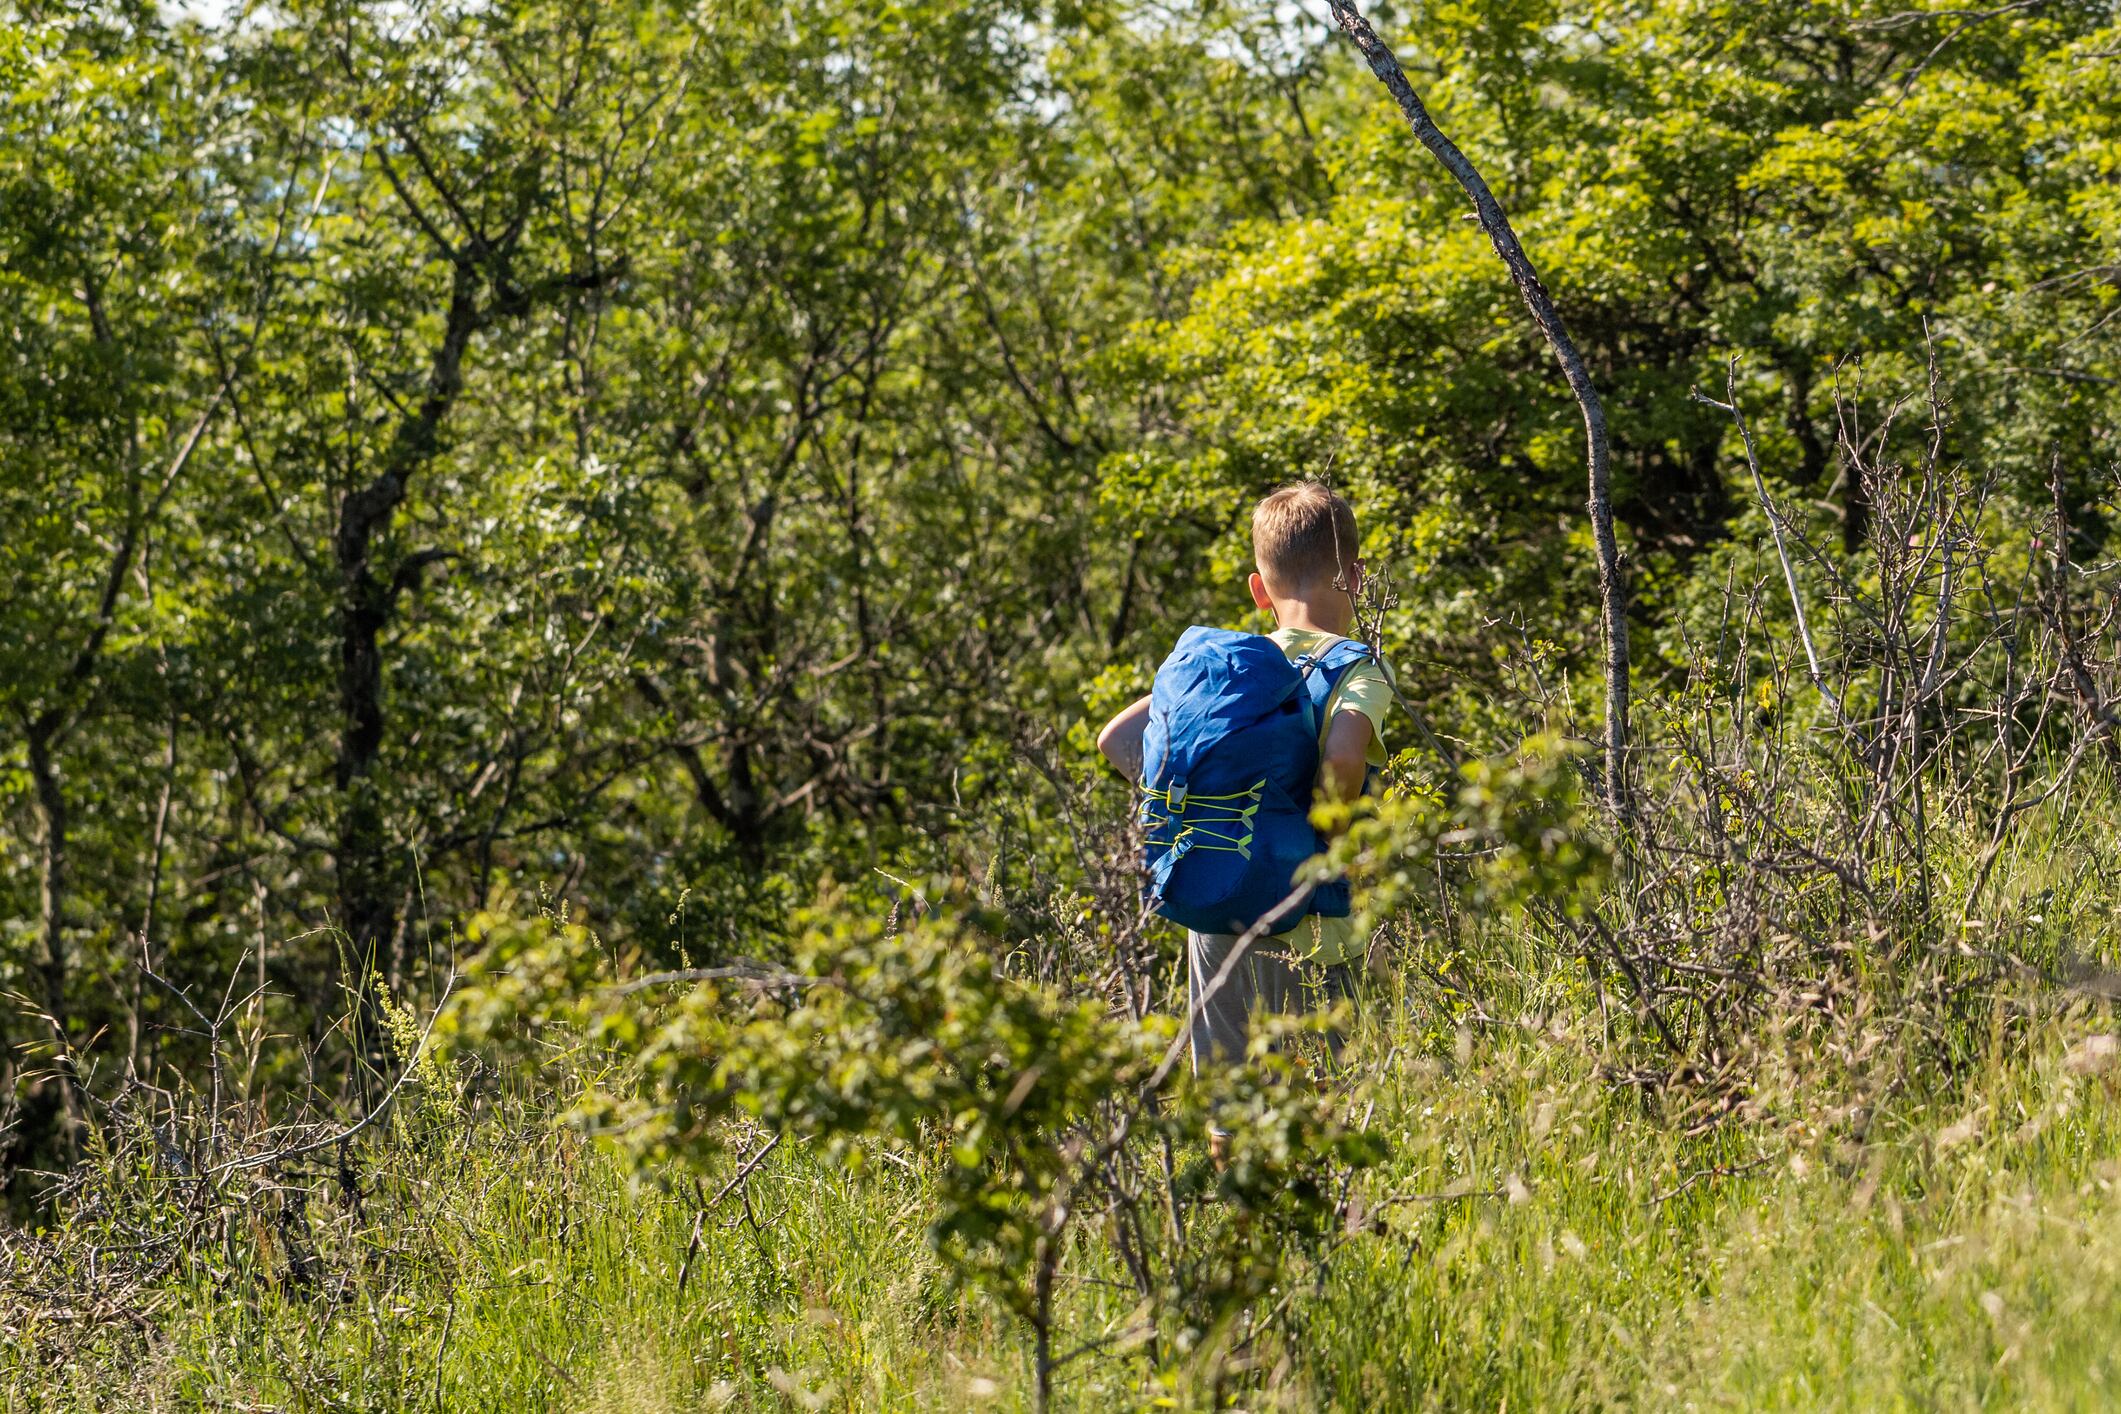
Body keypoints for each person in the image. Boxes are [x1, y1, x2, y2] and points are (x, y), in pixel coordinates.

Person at [1096, 481, 1393, 1075]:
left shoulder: (1227, 674)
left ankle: (1226, 1165)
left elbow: (1116, 740)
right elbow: (1341, 757)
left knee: (1231, 1093)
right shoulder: (1357, 667)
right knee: (1333, 1087)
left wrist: (1198, 807)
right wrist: (1321, 840)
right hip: (1312, 915)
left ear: (1260, 591)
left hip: (1216, 895)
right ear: (1356, 577)